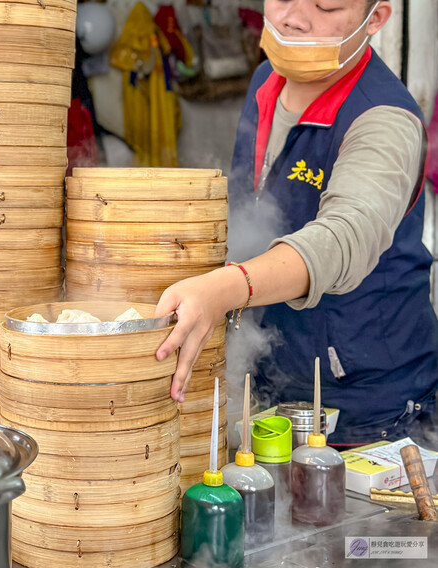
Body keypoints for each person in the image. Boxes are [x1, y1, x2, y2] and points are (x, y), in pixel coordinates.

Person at [154, 0, 438, 446]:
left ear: (376, 19)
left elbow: (344, 237)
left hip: (372, 408)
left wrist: (223, 289)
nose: (293, 16)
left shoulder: (385, 119)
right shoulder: (266, 80)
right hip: (275, 385)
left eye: (325, 5)